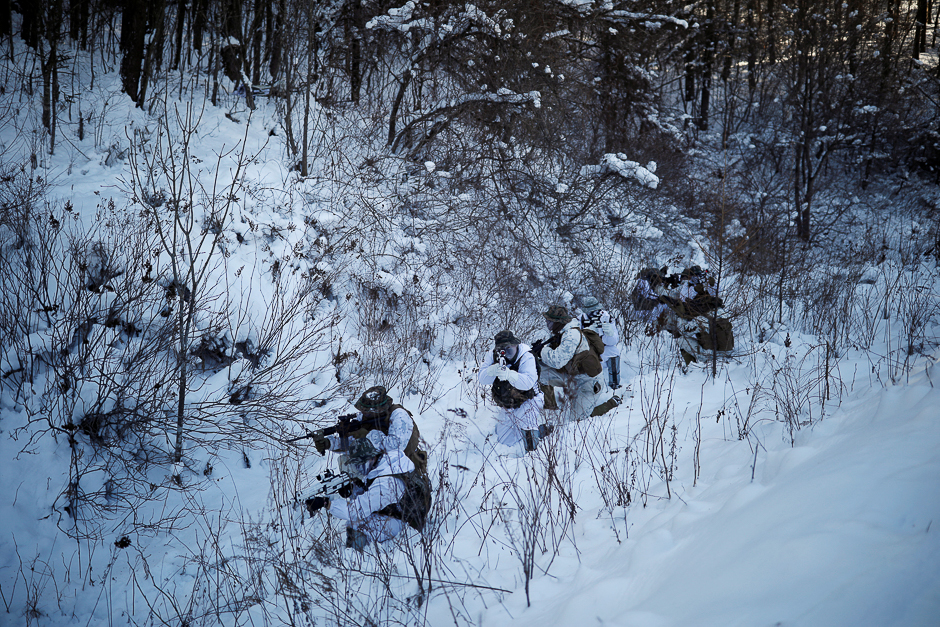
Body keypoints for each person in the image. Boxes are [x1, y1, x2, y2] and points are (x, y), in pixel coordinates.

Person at [307, 386, 430, 550]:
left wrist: (327, 503)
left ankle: (357, 557)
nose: (363, 415)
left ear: (378, 409)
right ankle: (372, 505)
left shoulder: (398, 416)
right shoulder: (368, 420)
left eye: (367, 412)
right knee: (357, 479)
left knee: (356, 521)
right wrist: (331, 442)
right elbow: (356, 445)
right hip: (389, 471)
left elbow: (395, 446)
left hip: (405, 484)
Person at [533, 306, 617, 421]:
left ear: (558, 322)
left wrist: (541, 351)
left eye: (550, 322)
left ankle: (612, 403)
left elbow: (557, 361)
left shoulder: (571, 335)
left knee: (578, 420)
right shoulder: (561, 332)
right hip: (572, 377)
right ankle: (550, 407)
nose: (547, 324)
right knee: (538, 369)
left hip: (588, 383)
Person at [478, 330, 549, 451]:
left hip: (529, 401)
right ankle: (532, 429)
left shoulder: (526, 356)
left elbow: (528, 383)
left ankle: (540, 432)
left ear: (516, 345)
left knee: (530, 440)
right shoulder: (492, 355)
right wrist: (491, 371)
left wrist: (510, 375)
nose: (506, 353)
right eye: (502, 349)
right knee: (504, 441)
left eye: (509, 348)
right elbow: (482, 379)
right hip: (508, 405)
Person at [578, 295, 622, 389]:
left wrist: (608, 333)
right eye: (591, 312)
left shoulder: (606, 317)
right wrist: (588, 332)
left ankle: (614, 383)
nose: (594, 313)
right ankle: (590, 386)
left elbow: (613, 341)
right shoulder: (581, 319)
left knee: (614, 352)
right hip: (588, 348)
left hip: (604, 347)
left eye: (595, 311)